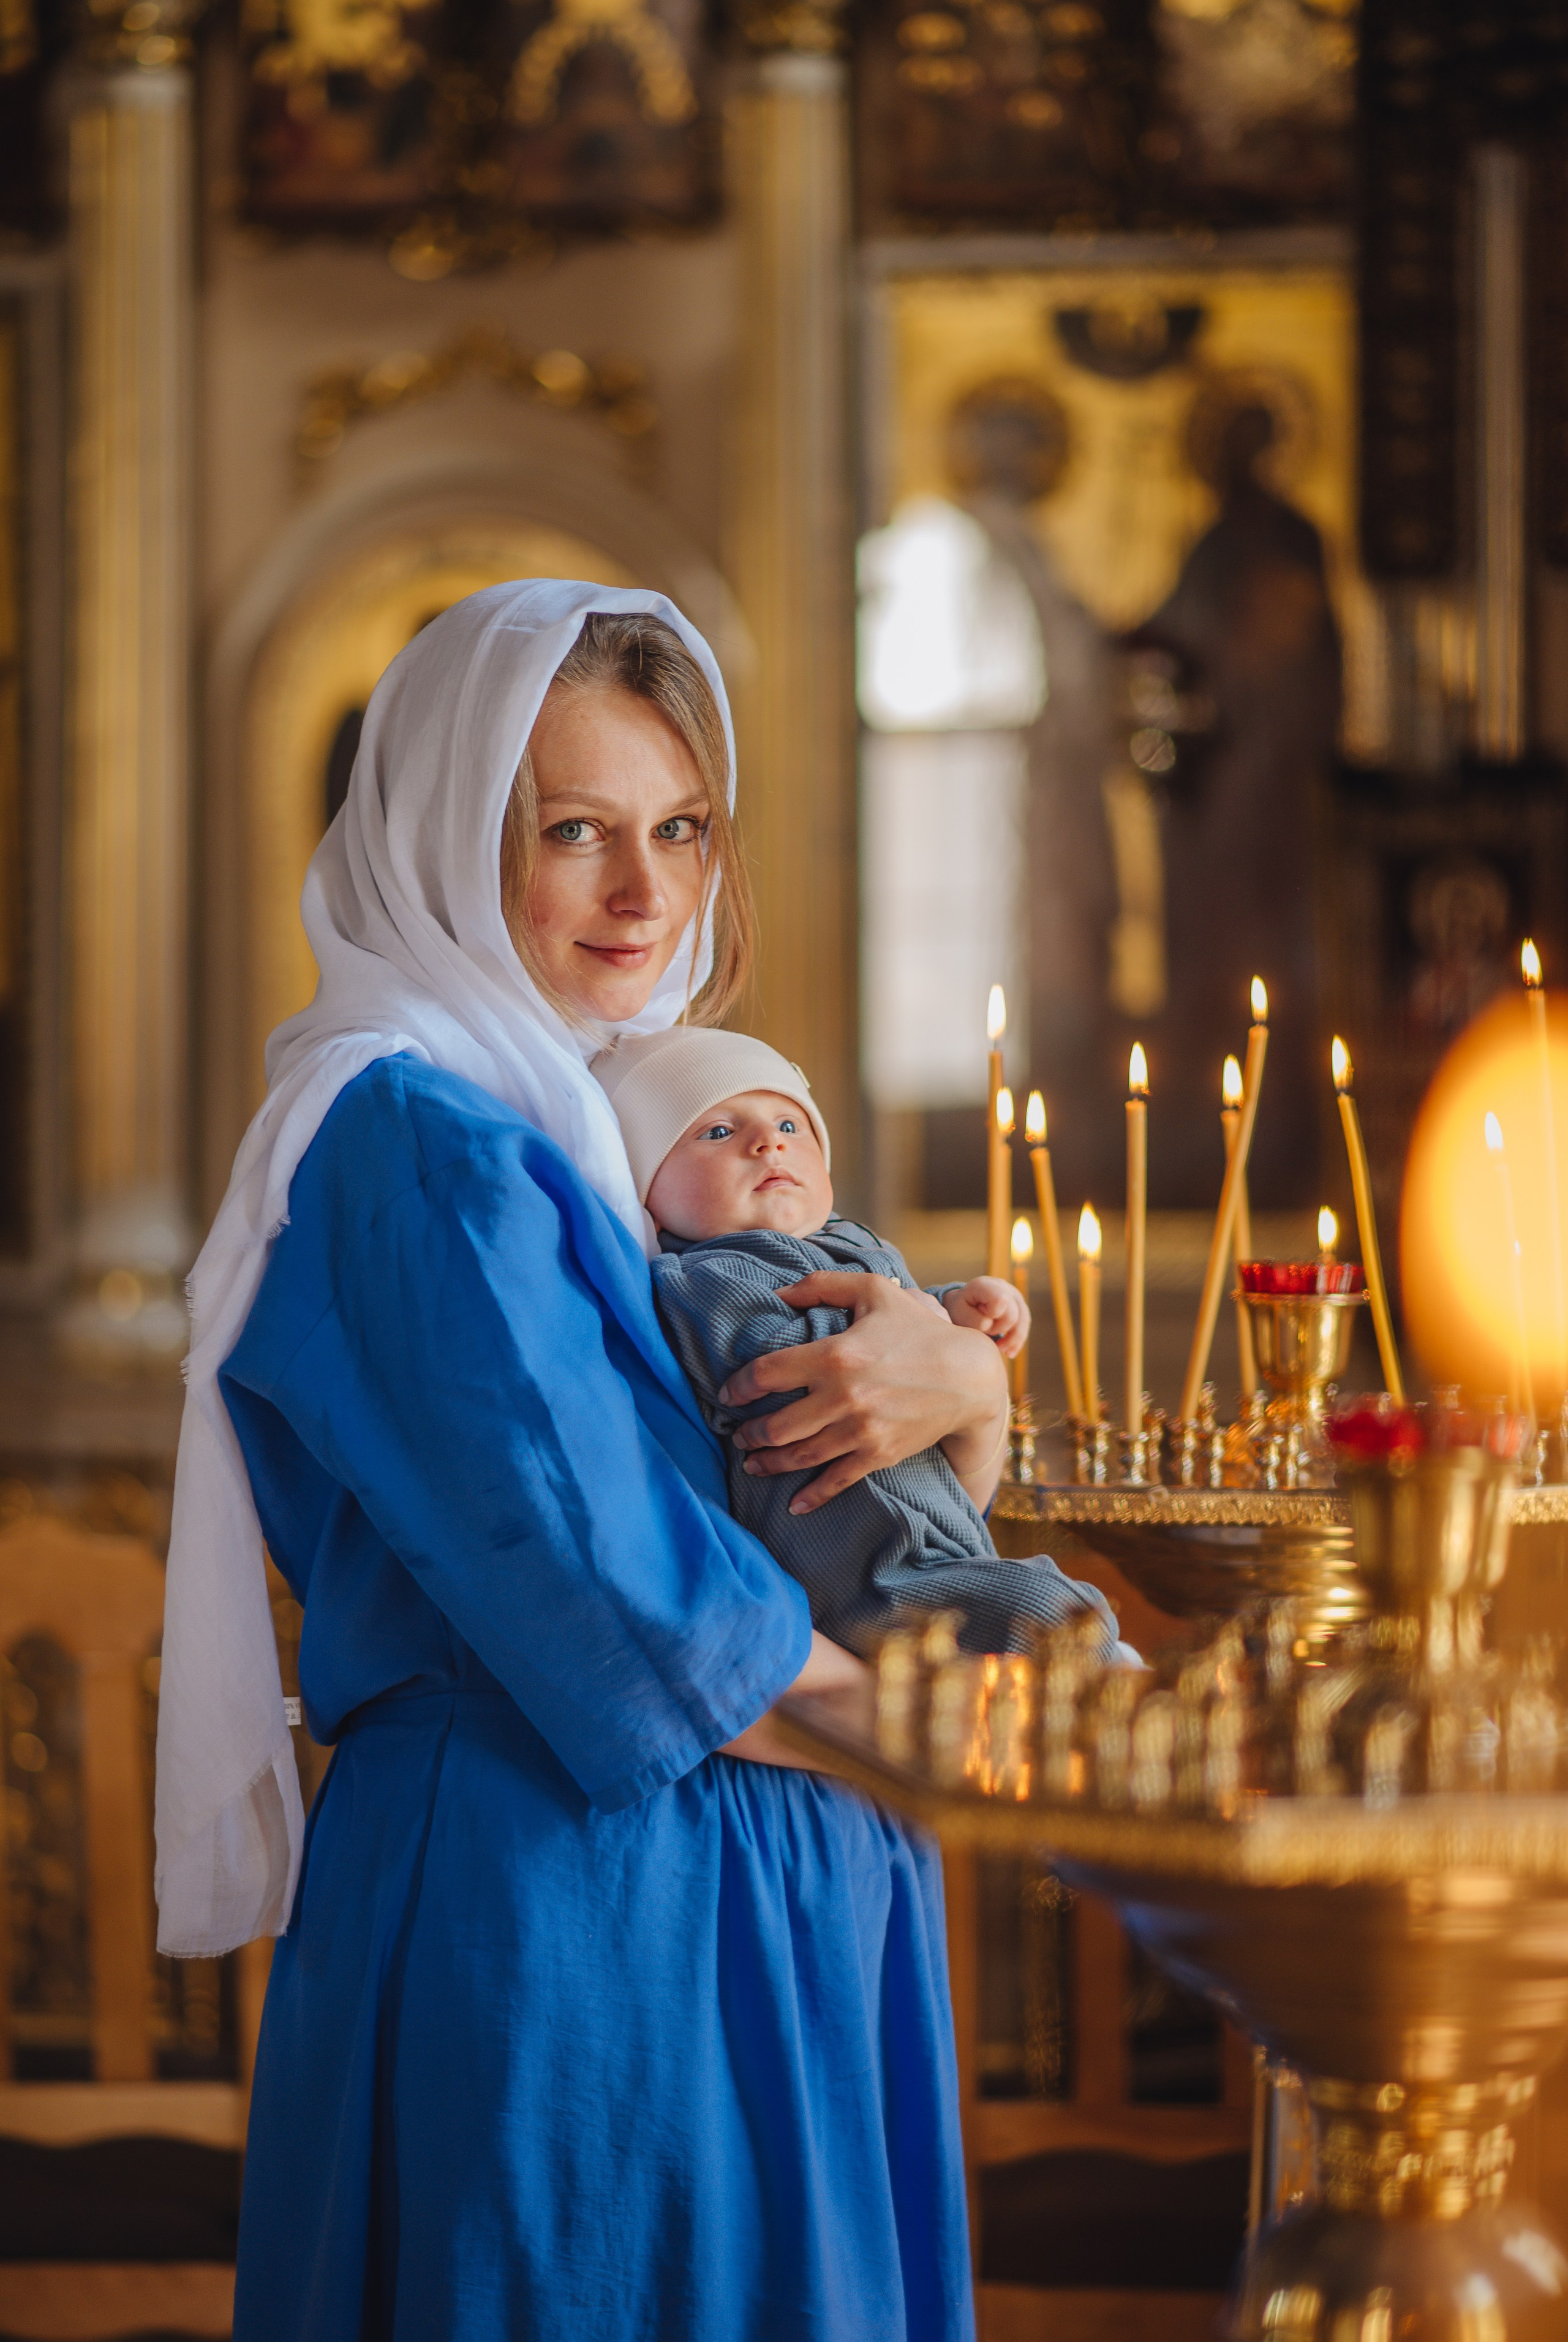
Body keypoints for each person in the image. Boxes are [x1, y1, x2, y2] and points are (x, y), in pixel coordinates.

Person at [154, 583, 1002, 2341]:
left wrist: (961, 1405)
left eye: (681, 827)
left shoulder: (637, 1125)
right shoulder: (412, 1138)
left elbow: (804, 1520)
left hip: (760, 1874)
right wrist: (967, 1728)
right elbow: (627, 1589)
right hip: (576, 1913)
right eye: (576, 833)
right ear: (454, 839)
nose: (646, 891)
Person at [592, 1023, 1121, 1660]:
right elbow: (779, 1354)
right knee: (1046, 1614)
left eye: (790, 1126)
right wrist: (925, 1336)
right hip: (859, 1573)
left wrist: (957, 1307)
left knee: (1064, 1603)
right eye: (718, 1132)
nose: (768, 1143)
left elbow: (903, 1317)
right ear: (649, 1192)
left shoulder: (850, 1240)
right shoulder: (706, 1275)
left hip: (933, 1534)